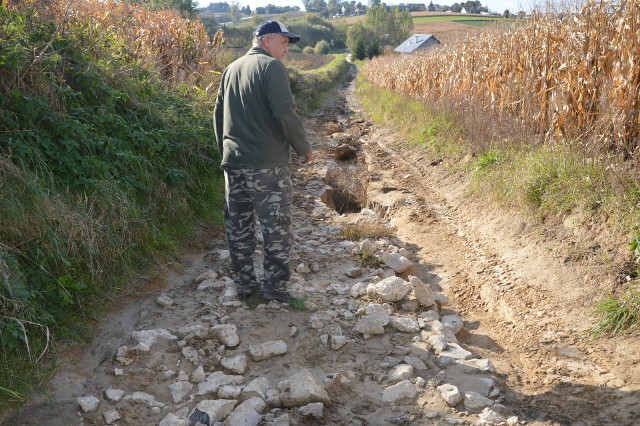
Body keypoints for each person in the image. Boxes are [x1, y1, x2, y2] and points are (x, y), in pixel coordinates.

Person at [213, 20, 313, 303]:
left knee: (239, 226)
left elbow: (218, 116)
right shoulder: (272, 67)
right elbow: (284, 112)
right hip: (267, 165)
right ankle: (275, 288)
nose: (287, 50)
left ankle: (245, 285)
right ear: (267, 41)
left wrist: (226, 152)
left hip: (233, 163)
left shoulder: (231, 69)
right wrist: (302, 146)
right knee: (276, 227)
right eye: (284, 42)